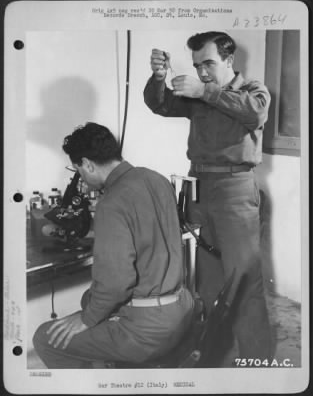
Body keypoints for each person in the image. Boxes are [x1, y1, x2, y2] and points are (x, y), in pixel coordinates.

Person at [144, 31, 272, 362]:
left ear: (230, 61)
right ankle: (206, 354)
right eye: (197, 65)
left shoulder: (253, 91)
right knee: (203, 282)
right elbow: (160, 104)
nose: (202, 72)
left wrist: (206, 92)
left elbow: (254, 114)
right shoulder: (199, 95)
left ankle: (260, 367)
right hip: (198, 188)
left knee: (245, 285)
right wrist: (159, 78)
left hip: (235, 191)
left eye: (209, 64)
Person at [33, 122, 194, 368]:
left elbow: (117, 283)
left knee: (45, 338)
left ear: (88, 164)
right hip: (181, 309)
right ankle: (108, 365)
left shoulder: (112, 202)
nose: (82, 179)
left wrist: (86, 320)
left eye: (78, 170)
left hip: (149, 331)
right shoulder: (157, 179)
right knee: (89, 298)